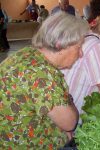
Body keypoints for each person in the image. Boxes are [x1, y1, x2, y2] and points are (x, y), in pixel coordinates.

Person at [0, 12, 89, 148]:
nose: (81, 53)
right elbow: (69, 122)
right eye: (78, 47)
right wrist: (69, 100)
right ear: (60, 45)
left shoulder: (26, 53)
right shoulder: (43, 75)